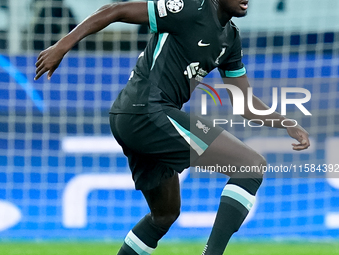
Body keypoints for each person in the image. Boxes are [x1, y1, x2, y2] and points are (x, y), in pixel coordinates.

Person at [34, 0, 310, 254]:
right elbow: (115, 10)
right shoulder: (188, 8)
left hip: (135, 117)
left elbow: (244, 104)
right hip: (146, 109)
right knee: (250, 165)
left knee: (164, 215)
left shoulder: (231, 39)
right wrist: (62, 45)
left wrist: (286, 122)